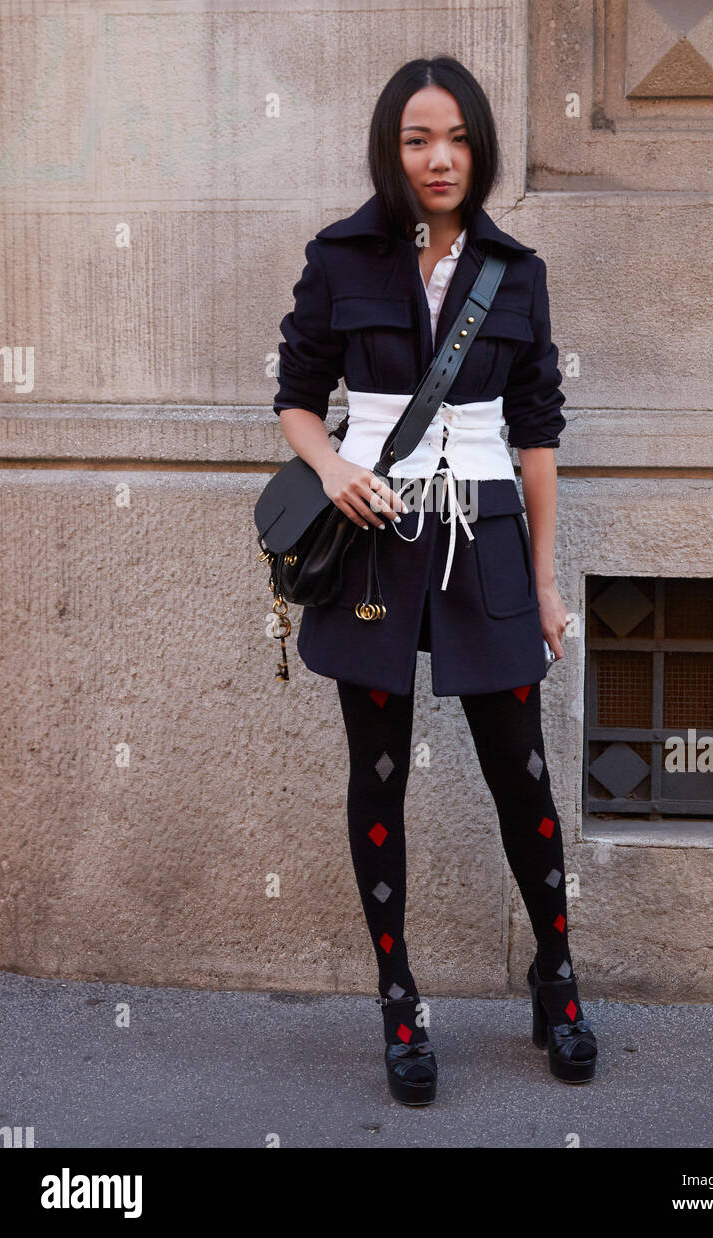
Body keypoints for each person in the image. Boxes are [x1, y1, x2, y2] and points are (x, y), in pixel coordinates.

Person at [273, 55, 597, 1105]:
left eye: (454, 136)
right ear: (390, 148)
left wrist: (543, 586)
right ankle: (397, 997)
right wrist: (333, 468)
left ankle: (555, 979)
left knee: (520, 768)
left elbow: (535, 434)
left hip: (485, 541)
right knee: (378, 772)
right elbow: (294, 393)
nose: (438, 157)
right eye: (416, 138)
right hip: (371, 545)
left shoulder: (516, 270)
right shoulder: (339, 258)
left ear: (479, 145)